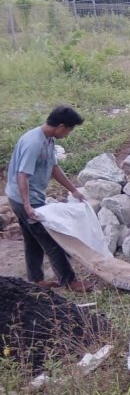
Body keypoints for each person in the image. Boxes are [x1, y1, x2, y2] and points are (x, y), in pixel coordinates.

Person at [5, 106, 88, 292]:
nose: (68, 134)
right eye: (69, 130)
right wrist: (28, 206)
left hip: (24, 198)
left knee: (32, 240)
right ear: (61, 126)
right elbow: (22, 175)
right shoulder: (33, 143)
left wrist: (73, 190)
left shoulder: (47, 139)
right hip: (24, 199)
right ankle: (69, 281)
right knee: (51, 239)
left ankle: (36, 279)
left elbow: (54, 168)